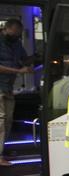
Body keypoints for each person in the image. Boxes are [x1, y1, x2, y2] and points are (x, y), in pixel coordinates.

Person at [0, 18, 33, 166]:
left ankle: (2, 149)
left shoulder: (16, 43)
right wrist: (19, 70)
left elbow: (24, 59)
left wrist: (33, 61)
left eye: (18, 34)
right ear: (6, 29)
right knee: (0, 121)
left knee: (8, 121)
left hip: (8, 88)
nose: (16, 37)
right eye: (14, 34)